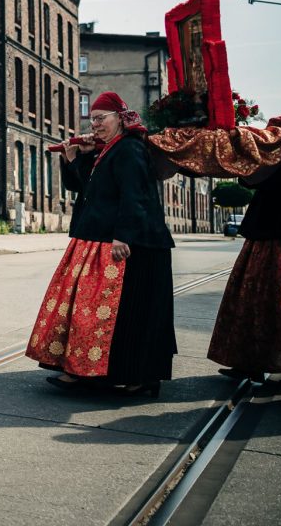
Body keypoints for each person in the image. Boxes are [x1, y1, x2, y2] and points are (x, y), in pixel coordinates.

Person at [27, 91, 175, 397]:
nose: (94, 125)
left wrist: (124, 235)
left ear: (120, 118)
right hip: (105, 239)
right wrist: (73, 159)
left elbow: (134, 195)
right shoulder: (109, 150)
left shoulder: (129, 149)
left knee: (130, 315)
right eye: (92, 119)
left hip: (135, 245)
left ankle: (139, 376)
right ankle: (86, 370)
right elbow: (89, 188)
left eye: (100, 119)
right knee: (97, 312)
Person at [207, 115, 281, 393]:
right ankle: (248, 362)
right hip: (263, 235)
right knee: (250, 301)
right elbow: (248, 180)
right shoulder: (268, 157)